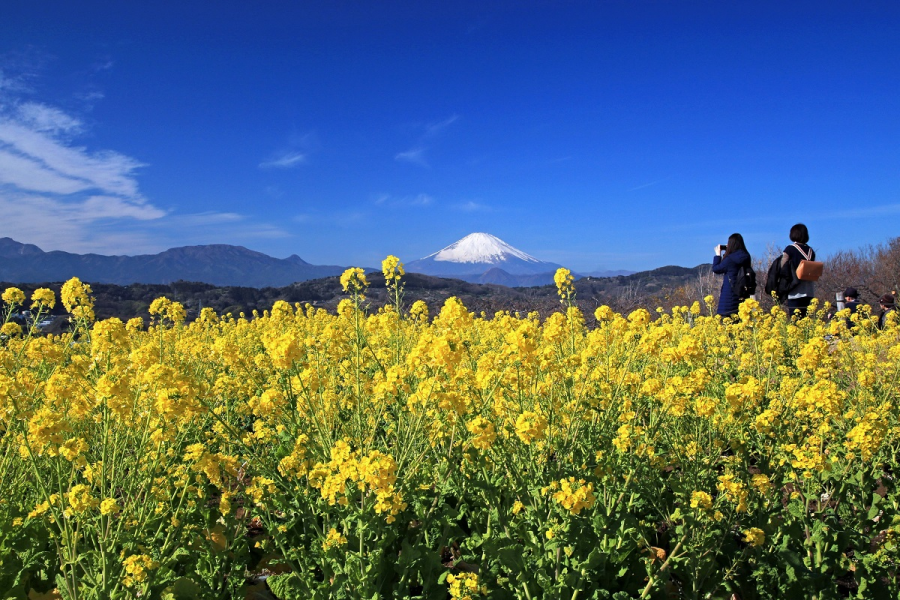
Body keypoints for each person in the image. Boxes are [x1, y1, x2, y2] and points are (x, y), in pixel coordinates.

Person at [712, 233, 751, 318]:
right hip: (742, 294)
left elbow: (716, 269)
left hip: (729, 295)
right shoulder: (746, 256)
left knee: (727, 322)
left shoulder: (730, 259)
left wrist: (718, 255)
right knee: (740, 322)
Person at [781, 223, 815, 319]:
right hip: (809, 290)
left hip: (795, 291)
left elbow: (782, 267)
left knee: (795, 321)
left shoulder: (790, 249)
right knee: (806, 320)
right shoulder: (810, 251)